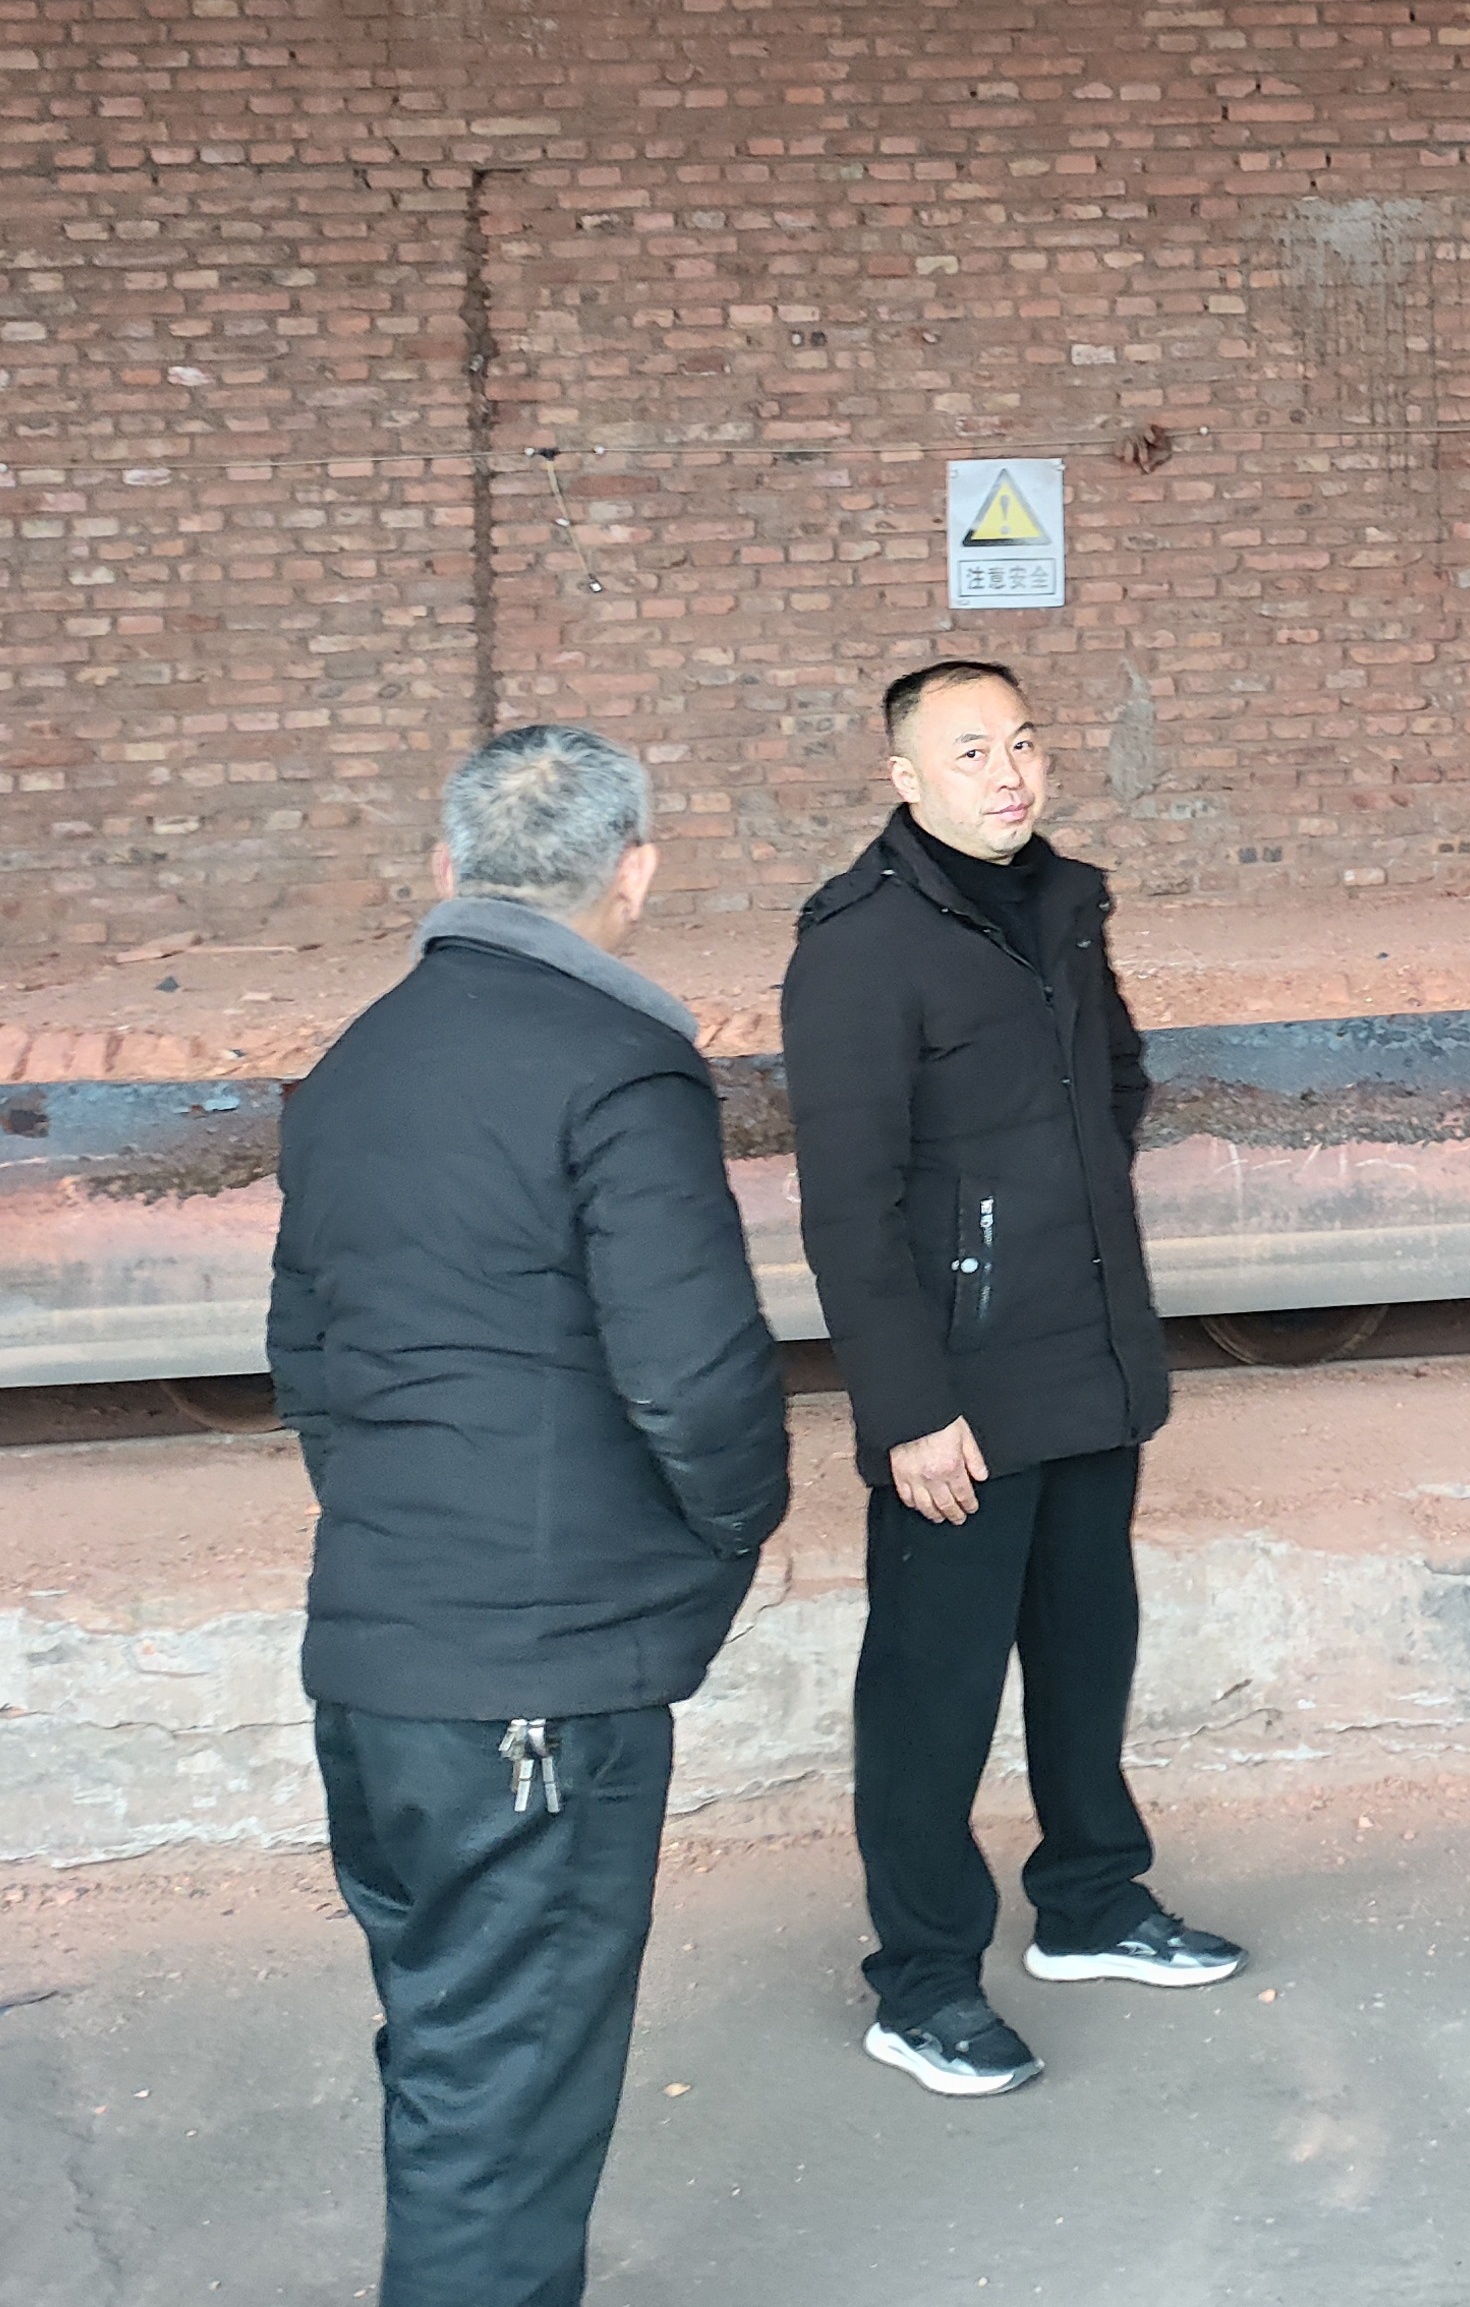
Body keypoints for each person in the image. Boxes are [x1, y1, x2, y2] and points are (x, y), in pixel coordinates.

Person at [271, 726, 792, 2306]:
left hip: (375, 1663)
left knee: (454, 2054)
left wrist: (407, 1537)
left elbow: (307, 1360)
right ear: (635, 875)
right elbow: (696, 1377)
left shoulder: (351, 1067)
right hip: (538, 1687)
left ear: (446, 868)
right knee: (503, 2101)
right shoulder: (621, 1067)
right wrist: (725, 1542)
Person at [783, 657, 1240, 2099]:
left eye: (1024, 743)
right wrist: (907, 1408)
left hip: (1087, 1353)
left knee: (1086, 1648)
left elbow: (1114, 1082)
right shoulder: (858, 944)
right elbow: (846, 1204)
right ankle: (923, 1982)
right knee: (934, 1690)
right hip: (961, 1390)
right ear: (905, 779)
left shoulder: (1063, 903)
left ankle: (1090, 1902)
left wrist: (1064, 1218)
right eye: (971, 751)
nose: (1009, 772)